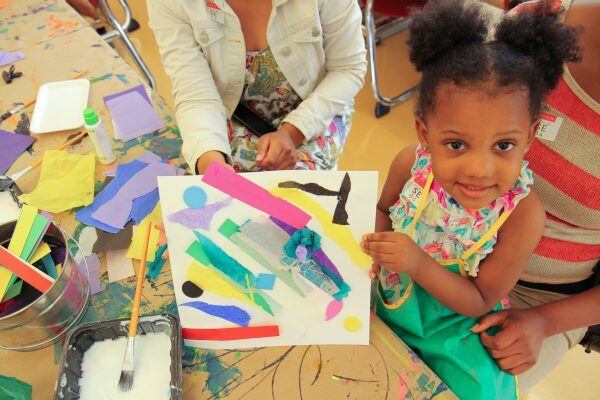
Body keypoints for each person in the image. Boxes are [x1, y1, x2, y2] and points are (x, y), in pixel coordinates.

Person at [360, 0, 580, 398]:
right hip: (388, 296)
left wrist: (414, 262)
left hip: (452, 331)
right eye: (456, 144)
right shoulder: (412, 163)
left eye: (504, 145)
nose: (479, 169)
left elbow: (479, 300)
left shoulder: (523, 215)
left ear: (530, 137)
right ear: (424, 134)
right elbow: (382, 209)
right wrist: (378, 253)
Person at [471, 0, 600, 392]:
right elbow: (449, 133)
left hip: (539, 299)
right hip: (444, 243)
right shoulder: (535, 24)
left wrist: (544, 322)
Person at [147, 0, 367, 174]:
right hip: (230, 115)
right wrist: (211, 160)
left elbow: (348, 69)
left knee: (298, 206)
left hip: (318, 108)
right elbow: (196, 94)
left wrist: (293, 132)